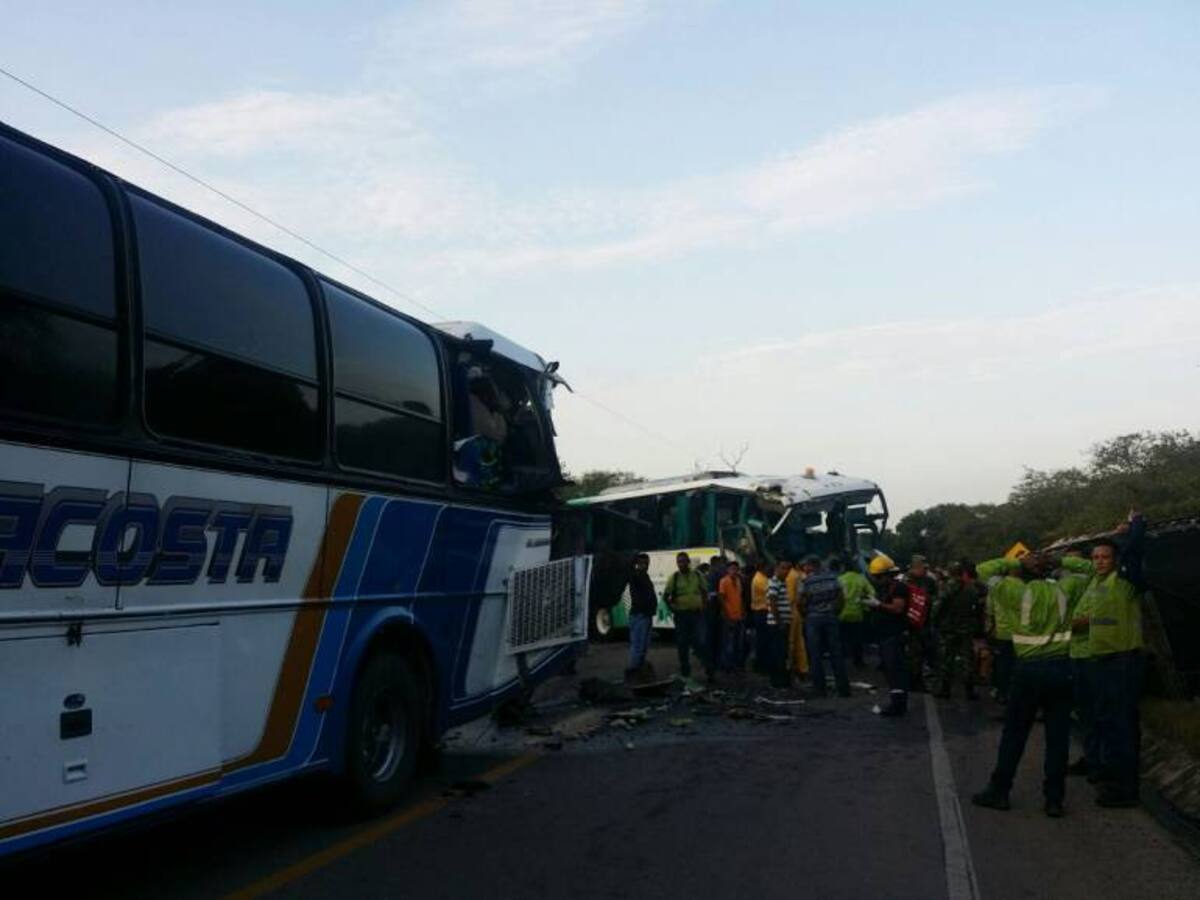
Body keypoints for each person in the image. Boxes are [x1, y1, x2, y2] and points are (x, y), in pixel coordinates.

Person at [971, 552, 1086, 818]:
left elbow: (983, 568)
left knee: (1015, 734)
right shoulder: (1064, 589)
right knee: (1058, 737)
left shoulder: (1015, 591)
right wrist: (1061, 560)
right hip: (1061, 668)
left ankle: (999, 791)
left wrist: (1016, 562)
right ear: (1049, 571)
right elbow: (1088, 570)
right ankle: (1054, 800)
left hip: (1028, 671)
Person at [1061, 514, 1148, 807]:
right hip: (1101, 662)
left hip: (1123, 662)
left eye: (1105, 556)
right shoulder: (1095, 583)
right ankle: (1112, 779)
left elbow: (1134, 550)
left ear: (1116, 558)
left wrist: (1134, 525)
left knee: (1123, 729)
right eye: (1095, 557)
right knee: (1109, 725)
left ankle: (1126, 791)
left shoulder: (1124, 581)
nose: (1099, 561)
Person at [934, 560, 985, 700]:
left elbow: (938, 606)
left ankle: (945, 689)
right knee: (967, 660)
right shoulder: (971, 589)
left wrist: (935, 621)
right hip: (966, 628)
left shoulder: (946, 587)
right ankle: (969, 690)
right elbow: (977, 609)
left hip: (949, 628)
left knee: (947, 658)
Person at [801, 556, 850, 697]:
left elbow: (801, 601)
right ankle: (844, 689)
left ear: (811, 566)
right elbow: (841, 597)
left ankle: (820, 690)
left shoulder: (806, 581)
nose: (805, 568)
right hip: (831, 617)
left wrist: (805, 614)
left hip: (813, 619)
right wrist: (836, 611)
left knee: (815, 655)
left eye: (806, 566)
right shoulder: (833, 578)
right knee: (836, 653)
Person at [868, 554, 910, 716]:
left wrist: (878, 604)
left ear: (887, 575)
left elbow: (898, 608)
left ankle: (898, 705)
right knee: (890, 670)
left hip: (894, 635)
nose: (876, 580)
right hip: (885, 635)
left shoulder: (898, 588)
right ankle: (896, 701)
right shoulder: (885, 588)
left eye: (878, 577)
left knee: (895, 670)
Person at [663, 552, 713, 682]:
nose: (682, 564)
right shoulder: (674, 578)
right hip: (681, 616)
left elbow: (705, 592)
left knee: (702, 642)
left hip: (697, 614)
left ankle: (709, 670)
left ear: (688, 562)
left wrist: (704, 606)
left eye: (684, 561)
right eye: (679, 562)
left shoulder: (697, 575)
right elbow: (666, 596)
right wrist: (673, 609)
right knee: (682, 644)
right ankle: (686, 673)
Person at [903, 555, 938, 693]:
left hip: (925, 622)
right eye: (923, 567)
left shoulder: (929, 581)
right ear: (915, 567)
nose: (925, 570)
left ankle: (917, 681)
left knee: (922, 652)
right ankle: (914, 682)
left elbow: (935, 598)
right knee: (913, 653)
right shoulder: (905, 581)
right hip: (910, 622)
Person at [833, 556, 874, 668]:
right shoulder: (861, 578)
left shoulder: (839, 579)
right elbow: (872, 593)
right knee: (858, 640)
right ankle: (858, 661)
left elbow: (834, 596)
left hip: (842, 614)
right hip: (857, 614)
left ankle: (841, 662)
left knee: (841, 639)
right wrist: (864, 603)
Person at [626, 553, 657, 677]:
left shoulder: (645, 576)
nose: (645, 566)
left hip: (646, 614)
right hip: (640, 614)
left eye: (647, 563)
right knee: (638, 645)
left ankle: (638, 670)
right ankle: (634, 671)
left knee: (643, 646)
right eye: (642, 563)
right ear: (637, 564)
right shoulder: (636, 576)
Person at [766, 560, 793, 688]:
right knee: (778, 652)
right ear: (777, 568)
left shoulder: (782, 583)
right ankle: (778, 681)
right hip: (777, 624)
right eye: (783, 568)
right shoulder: (774, 582)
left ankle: (781, 679)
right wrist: (780, 622)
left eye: (788, 568)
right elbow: (772, 602)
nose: (786, 571)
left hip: (782, 622)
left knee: (782, 652)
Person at [717, 559, 746, 672]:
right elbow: (721, 598)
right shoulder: (724, 581)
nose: (734, 571)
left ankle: (736, 664)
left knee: (738, 643)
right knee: (729, 643)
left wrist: (743, 612)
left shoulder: (739, 581)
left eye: (736, 569)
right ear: (727, 570)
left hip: (739, 616)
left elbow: (741, 597)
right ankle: (728, 666)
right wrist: (726, 615)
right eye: (732, 569)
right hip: (729, 616)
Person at [785, 558, 809, 679]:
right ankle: (803, 667)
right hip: (797, 612)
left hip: (790, 612)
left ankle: (789, 668)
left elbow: (790, 598)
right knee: (799, 641)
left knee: (790, 642)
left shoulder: (790, 576)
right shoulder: (798, 576)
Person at [705, 556, 727, 676]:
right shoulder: (715, 576)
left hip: (713, 613)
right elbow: (712, 595)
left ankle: (714, 664)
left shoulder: (711, 575)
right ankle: (715, 664)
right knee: (717, 640)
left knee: (715, 640)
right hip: (714, 612)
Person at [750, 560, 772, 673]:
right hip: (761, 612)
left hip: (761, 612)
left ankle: (762, 664)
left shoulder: (761, 578)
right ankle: (761, 665)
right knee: (763, 640)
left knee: (763, 640)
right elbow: (771, 592)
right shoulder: (760, 579)